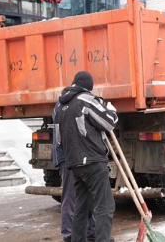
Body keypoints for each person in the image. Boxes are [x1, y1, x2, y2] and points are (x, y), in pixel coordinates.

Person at [55, 71, 118, 242]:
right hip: (93, 161)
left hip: (74, 163)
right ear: (89, 87)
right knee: (105, 205)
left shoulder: (60, 106)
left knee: (81, 207)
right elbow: (108, 122)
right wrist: (111, 110)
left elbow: (59, 139)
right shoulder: (86, 100)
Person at [52, 91, 98, 242]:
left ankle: (91, 232)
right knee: (71, 196)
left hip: (79, 156)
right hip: (68, 157)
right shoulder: (63, 106)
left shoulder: (69, 102)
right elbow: (62, 137)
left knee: (88, 196)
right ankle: (69, 234)